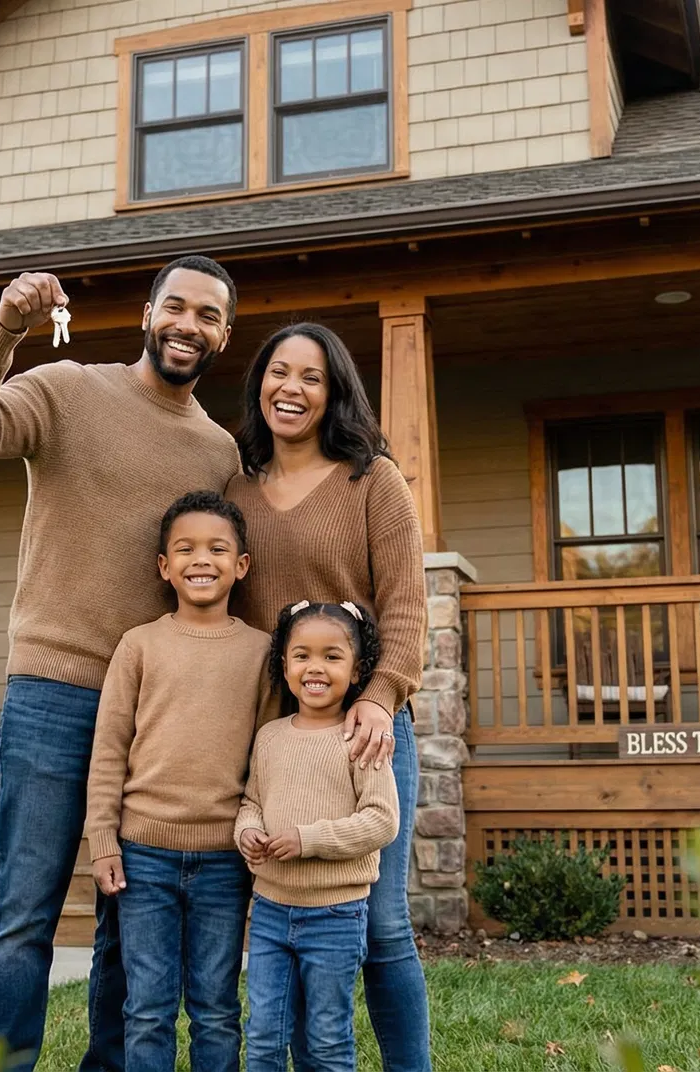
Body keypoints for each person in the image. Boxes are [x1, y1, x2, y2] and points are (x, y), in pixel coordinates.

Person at [0, 257, 243, 1072]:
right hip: (52, 693)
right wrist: (5, 325)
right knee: (25, 911)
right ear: (148, 312)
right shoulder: (68, 389)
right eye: (176, 307)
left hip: (155, 713)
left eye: (208, 316)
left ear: (223, 335)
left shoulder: (218, 454)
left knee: (124, 920)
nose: (188, 325)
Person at [225, 322, 432, 1071]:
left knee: (379, 926)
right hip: (277, 743)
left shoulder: (373, 479)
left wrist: (379, 698)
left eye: (311, 377)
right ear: (259, 387)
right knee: (280, 925)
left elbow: (407, 608)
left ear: (334, 390)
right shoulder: (236, 490)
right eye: (278, 373)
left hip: (364, 736)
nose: (292, 388)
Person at [83, 490, 274, 1072]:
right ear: (164, 566)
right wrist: (103, 841)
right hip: (143, 857)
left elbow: (269, 755)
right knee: (147, 1007)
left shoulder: (263, 651)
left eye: (218, 549)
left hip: (225, 858)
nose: (202, 559)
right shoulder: (138, 645)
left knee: (216, 1007)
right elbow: (110, 748)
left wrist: (257, 827)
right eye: (185, 548)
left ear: (241, 566)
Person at [237, 600, 400, 1072]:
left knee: (327, 1040)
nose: (316, 667)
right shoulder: (269, 737)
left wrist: (309, 839)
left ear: (357, 670)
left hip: (335, 915)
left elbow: (381, 820)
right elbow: (251, 802)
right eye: (302, 655)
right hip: (269, 912)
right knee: (264, 1035)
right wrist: (248, 831)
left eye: (332, 656)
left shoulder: (360, 738)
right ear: (284, 665)